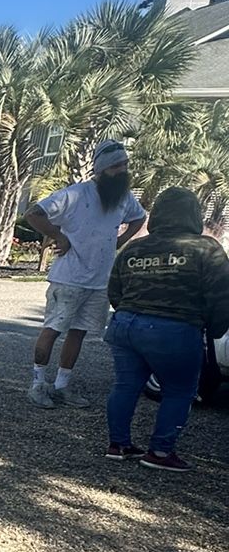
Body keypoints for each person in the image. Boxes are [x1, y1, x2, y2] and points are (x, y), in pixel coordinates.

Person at [104, 186, 229, 470]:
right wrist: (216, 328)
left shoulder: (134, 248)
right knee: (179, 390)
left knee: (125, 385)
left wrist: (131, 311)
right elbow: (221, 295)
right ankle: (160, 453)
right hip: (174, 328)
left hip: (125, 325)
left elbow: (115, 290)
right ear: (193, 214)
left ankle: (118, 444)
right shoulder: (206, 248)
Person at [25, 141, 146, 409]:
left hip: (99, 281)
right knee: (53, 329)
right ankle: (37, 384)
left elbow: (139, 217)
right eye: (116, 166)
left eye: (125, 164)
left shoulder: (123, 197)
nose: (123, 170)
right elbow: (33, 214)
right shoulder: (75, 194)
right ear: (100, 170)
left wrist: (121, 240)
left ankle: (61, 386)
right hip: (68, 278)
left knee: (78, 332)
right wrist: (59, 236)